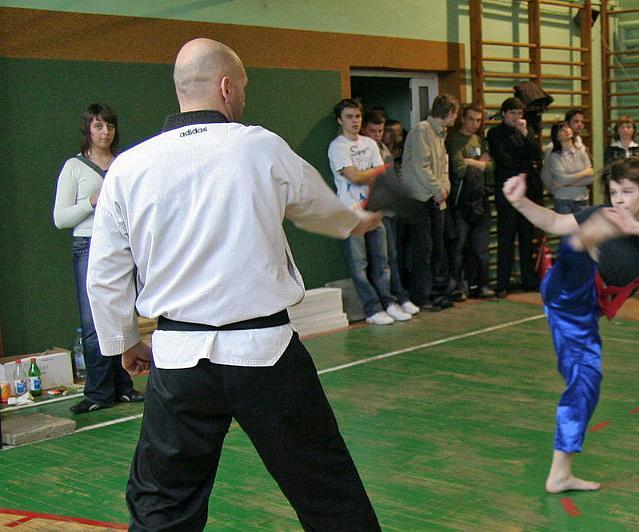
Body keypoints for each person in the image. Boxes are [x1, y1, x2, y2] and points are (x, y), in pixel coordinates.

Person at [86, 38, 381, 530]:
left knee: (162, 506)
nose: (243, 96)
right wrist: (356, 221)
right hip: (265, 354)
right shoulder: (260, 146)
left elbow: (105, 271)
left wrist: (124, 341)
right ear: (226, 87)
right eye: (242, 87)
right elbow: (319, 208)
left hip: (179, 360)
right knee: (327, 492)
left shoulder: (129, 167)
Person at [502, 157, 639, 493]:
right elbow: (555, 221)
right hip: (568, 291)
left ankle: (560, 473)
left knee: (586, 382)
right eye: (614, 192)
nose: (618, 200)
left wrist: (635, 228)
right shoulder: (602, 213)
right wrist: (520, 202)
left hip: (585, 312)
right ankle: (581, 246)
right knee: (575, 246)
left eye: (627, 192)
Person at [53, 103, 144, 414]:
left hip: (121, 245)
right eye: (98, 126)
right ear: (88, 130)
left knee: (123, 315)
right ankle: (98, 392)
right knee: (93, 322)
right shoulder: (74, 167)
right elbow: (61, 218)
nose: (105, 132)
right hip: (88, 246)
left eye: (110, 126)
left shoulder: (123, 164)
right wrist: (91, 201)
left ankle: (124, 386)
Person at [328, 99, 412, 325]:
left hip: (373, 210)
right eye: (349, 117)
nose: (354, 121)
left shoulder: (370, 144)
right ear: (340, 120)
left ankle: (389, 303)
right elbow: (353, 177)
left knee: (382, 261)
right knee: (360, 265)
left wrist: (368, 173)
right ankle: (372, 309)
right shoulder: (338, 146)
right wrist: (371, 172)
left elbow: (382, 173)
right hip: (350, 212)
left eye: (357, 116)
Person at [401, 93, 459, 311]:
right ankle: (420, 296)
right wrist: (438, 189)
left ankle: (434, 291)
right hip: (420, 199)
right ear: (449, 112)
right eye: (455, 114)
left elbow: (443, 166)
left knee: (436, 248)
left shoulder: (440, 134)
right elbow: (421, 166)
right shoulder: (423, 130)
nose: (455, 118)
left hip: (436, 199)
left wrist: (445, 189)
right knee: (423, 249)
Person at [361, 110, 419, 316]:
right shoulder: (363, 150)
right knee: (379, 259)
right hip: (371, 210)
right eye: (373, 131)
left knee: (393, 256)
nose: (378, 135)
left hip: (388, 210)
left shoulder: (384, 149)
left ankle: (400, 296)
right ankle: (386, 301)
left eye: (380, 131)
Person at [487, 97, 543, 298]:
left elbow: (537, 154)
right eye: (512, 113)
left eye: (519, 113)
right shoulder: (495, 133)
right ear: (503, 114)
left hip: (527, 193)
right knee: (506, 238)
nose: (517, 117)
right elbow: (504, 160)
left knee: (527, 238)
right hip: (508, 193)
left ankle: (528, 279)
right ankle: (503, 283)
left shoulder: (527, 131)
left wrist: (525, 134)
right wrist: (525, 163)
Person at [445, 103, 495, 299]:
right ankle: (457, 287)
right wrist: (482, 164)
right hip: (461, 201)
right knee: (458, 246)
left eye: (479, 120)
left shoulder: (479, 139)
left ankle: (482, 285)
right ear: (463, 119)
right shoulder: (453, 140)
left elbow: (492, 168)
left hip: (480, 200)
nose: (475, 124)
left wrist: (473, 163)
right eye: (471, 119)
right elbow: (459, 168)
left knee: (481, 247)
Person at [543, 121, 594, 214]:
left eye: (567, 128)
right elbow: (563, 179)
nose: (566, 130)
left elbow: (591, 178)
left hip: (582, 198)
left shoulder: (582, 151)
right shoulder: (555, 156)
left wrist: (566, 184)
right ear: (557, 137)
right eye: (562, 130)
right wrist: (585, 172)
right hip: (563, 199)